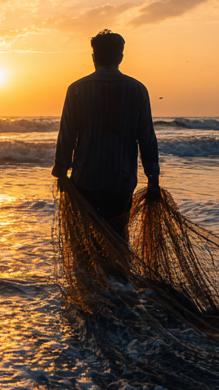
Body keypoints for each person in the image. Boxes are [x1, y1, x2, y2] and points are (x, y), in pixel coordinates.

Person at [51, 29, 161, 240]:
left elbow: (66, 134)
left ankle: (91, 274)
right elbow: (146, 137)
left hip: (85, 180)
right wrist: (153, 179)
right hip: (121, 181)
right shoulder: (137, 90)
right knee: (117, 239)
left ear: (94, 57)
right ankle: (116, 273)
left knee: (85, 243)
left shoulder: (77, 89)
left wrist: (61, 171)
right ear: (120, 57)